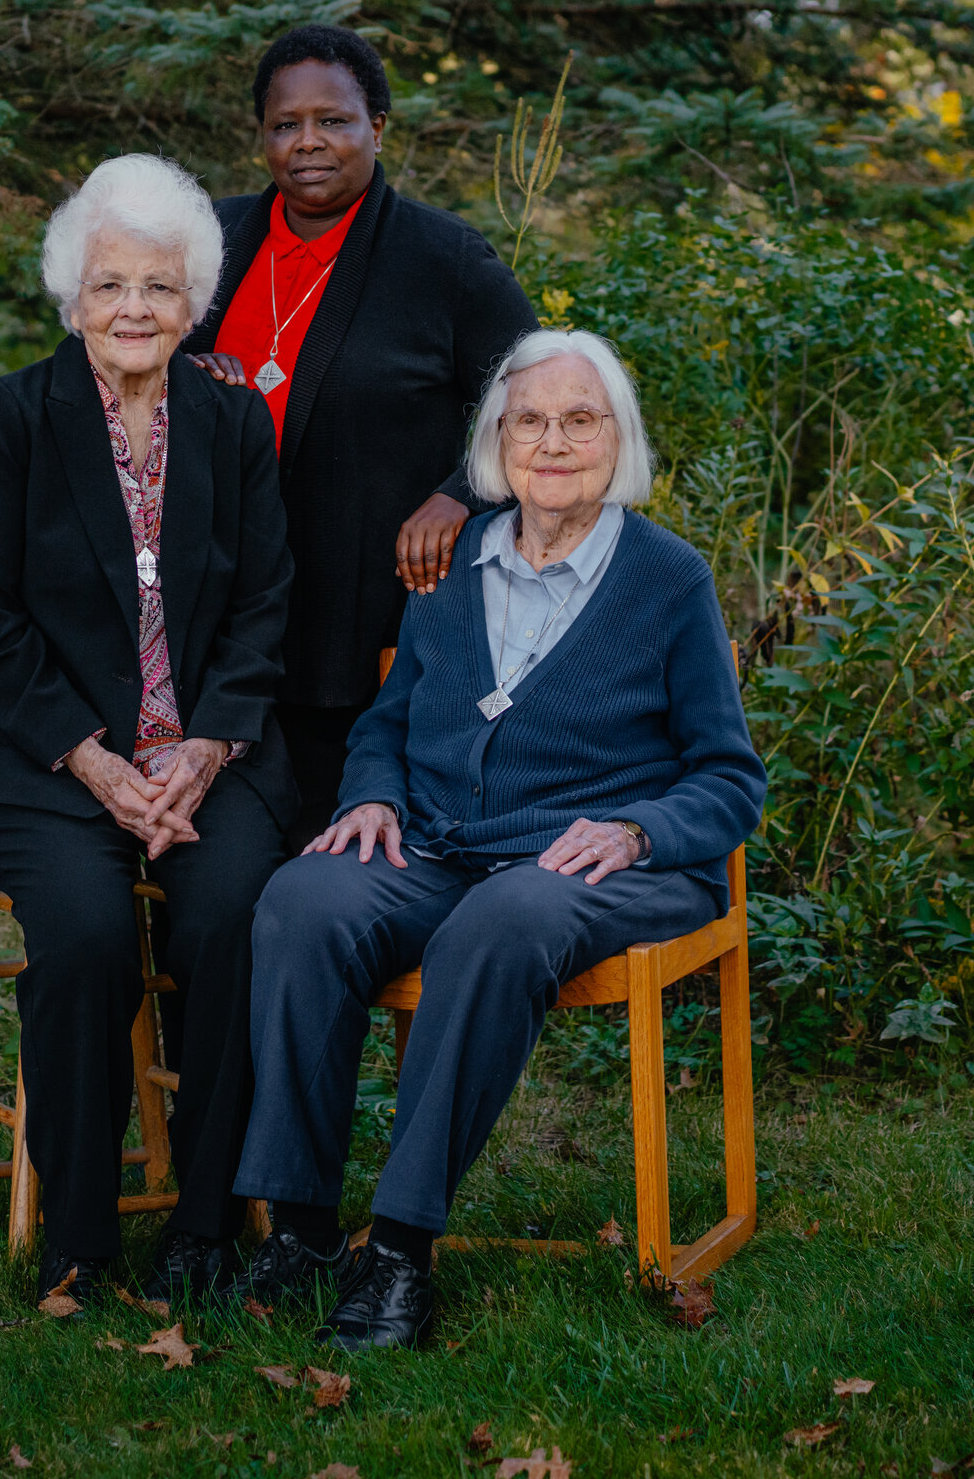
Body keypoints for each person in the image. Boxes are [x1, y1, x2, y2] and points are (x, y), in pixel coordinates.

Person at [231, 328, 767, 1349]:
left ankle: (397, 1253)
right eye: (530, 419)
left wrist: (636, 828)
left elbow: (730, 778)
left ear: (619, 440)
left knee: (501, 919)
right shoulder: (454, 568)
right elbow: (390, 721)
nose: (553, 442)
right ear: (496, 442)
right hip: (438, 847)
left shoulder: (668, 580)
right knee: (303, 899)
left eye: (580, 420)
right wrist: (374, 792)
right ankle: (298, 1229)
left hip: (600, 869)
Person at [0, 154, 297, 1310]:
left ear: (192, 302)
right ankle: (80, 1237)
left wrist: (204, 752)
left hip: (214, 757)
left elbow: (265, 602)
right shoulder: (15, 417)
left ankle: (206, 1227)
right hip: (50, 758)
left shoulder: (233, 419)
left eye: (158, 287)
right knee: (93, 938)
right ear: (70, 300)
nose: (134, 310)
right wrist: (97, 762)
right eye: (109, 287)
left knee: (234, 921)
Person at [185, 23, 538, 850]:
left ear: (377, 126)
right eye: (284, 124)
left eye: (333, 120)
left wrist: (461, 494)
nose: (307, 142)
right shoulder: (206, 240)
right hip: (210, 612)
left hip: (353, 622)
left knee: (318, 848)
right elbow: (124, 359)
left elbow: (534, 400)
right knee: (210, 863)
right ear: (262, 136)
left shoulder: (443, 256)